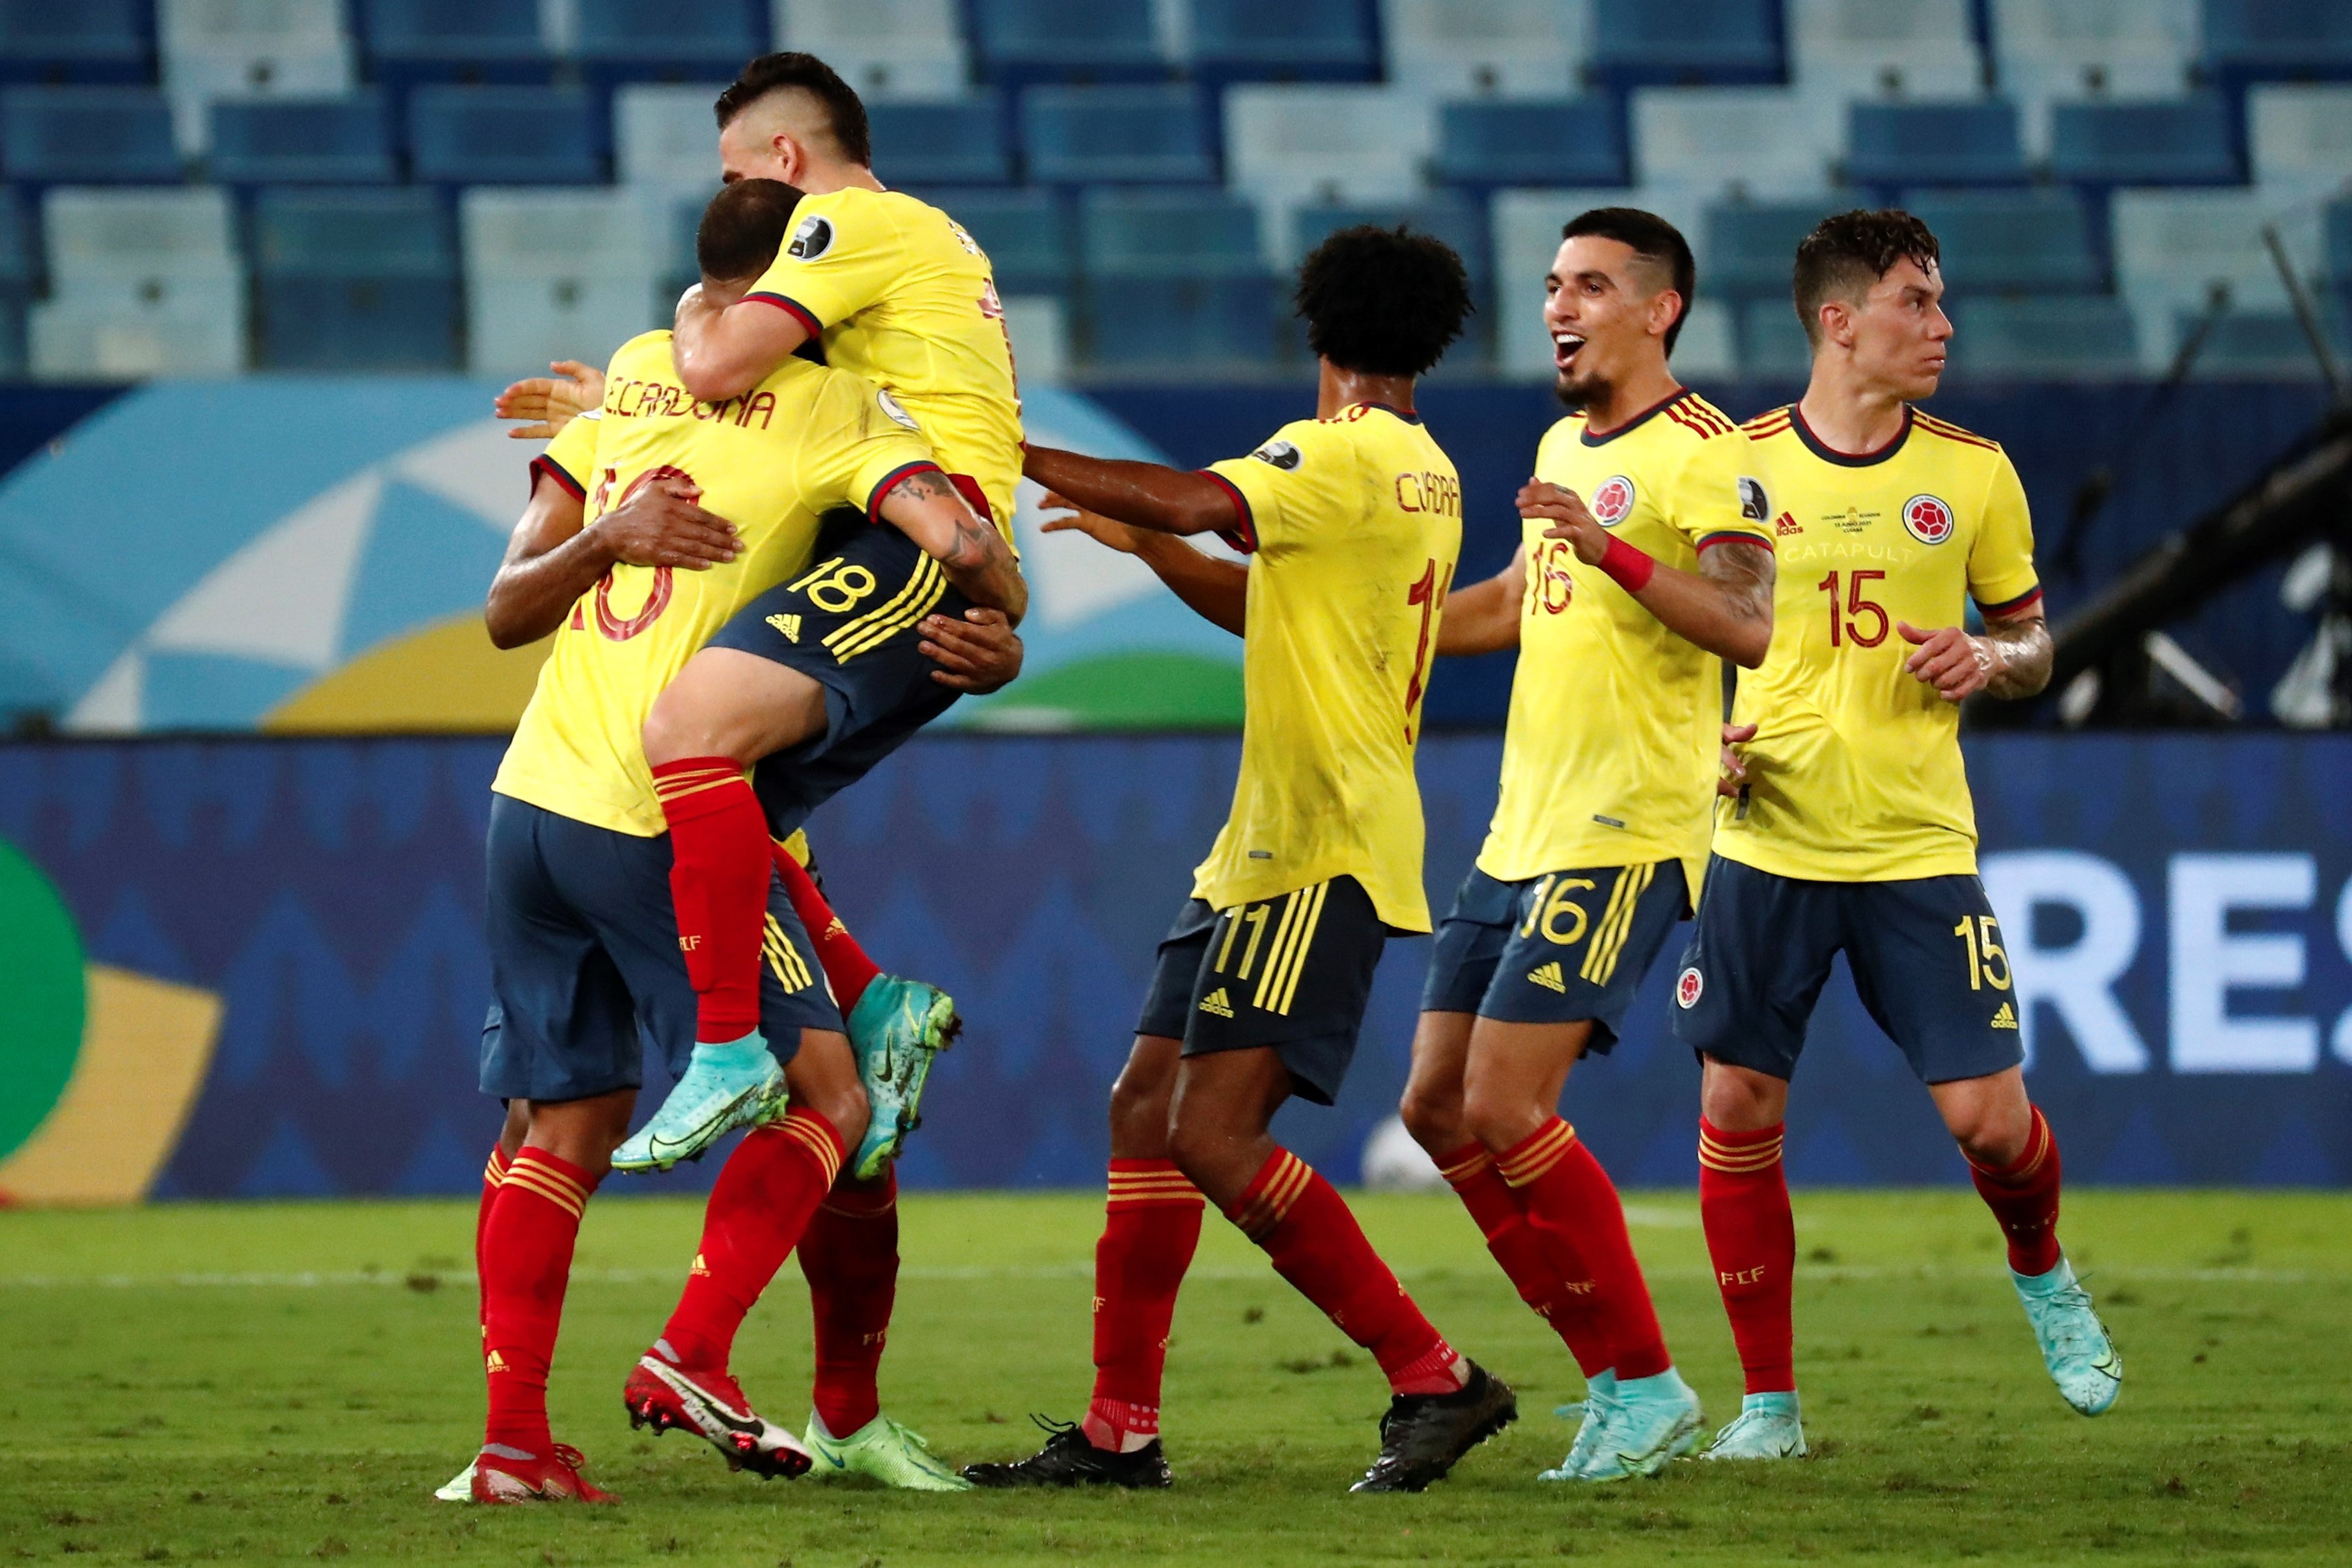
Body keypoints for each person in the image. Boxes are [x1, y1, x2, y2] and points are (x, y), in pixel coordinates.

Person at [455, 179, 1018, 1503]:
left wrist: (604, 527)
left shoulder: (635, 378)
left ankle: (510, 1446)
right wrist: (999, 607)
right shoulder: (841, 412)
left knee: (563, 1123)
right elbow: (961, 541)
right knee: (834, 1096)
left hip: (526, 806)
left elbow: (502, 611)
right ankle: (694, 1355)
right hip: (657, 825)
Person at [960, 226, 1515, 1496]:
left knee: (1212, 1134)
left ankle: (1434, 1374)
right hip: (1260, 847)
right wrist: (1158, 554)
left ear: (1318, 332)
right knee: (1145, 1108)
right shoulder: (1419, 470)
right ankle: (1117, 1432)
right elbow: (1268, 598)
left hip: (1317, 847)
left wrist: (1008, 454)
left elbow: (1200, 496)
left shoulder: (1335, 451)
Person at [503, 50, 1028, 1181]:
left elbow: (721, 363)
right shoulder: (923, 248)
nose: (745, 202)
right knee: (713, 789)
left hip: (916, 528)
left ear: (786, 162)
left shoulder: (846, 223)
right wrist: (619, 399)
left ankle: (732, 1048)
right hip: (903, 525)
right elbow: (751, 406)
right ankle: (871, 999)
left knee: (687, 734)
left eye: (741, 171)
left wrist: (688, 318)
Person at [1677, 208, 2120, 1462]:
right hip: (1768, 839)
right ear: (1839, 320)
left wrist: (1990, 652)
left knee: (1988, 1121)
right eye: (1918, 302)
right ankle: (1769, 1409)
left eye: (1938, 301)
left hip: (1918, 845)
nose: (1943, 325)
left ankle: (2042, 1270)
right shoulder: (1739, 463)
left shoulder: (1973, 472)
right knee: (1738, 1098)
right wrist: (1693, 738)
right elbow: (1684, 630)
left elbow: (2038, 642)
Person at [1395, 208, 1777, 1481]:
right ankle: (1616, 1376)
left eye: (1593, 285)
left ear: (1659, 309)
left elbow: (1748, 620)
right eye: (1554, 283)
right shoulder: (1567, 440)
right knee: (1439, 1108)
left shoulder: (1711, 454)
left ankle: (1651, 1382)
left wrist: (1608, 543)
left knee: (1509, 1100)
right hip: (1521, 830)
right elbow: (1512, 600)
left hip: (1628, 828)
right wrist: (1364, 632)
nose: (1560, 305)